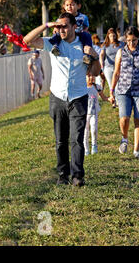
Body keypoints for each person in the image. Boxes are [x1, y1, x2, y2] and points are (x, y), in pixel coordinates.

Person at [23, 12, 101, 187]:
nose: (61, 29)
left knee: (77, 139)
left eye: (65, 26)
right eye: (59, 26)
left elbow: (95, 72)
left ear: (74, 27)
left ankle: (77, 176)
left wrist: (94, 55)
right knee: (60, 140)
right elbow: (27, 41)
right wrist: (47, 26)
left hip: (78, 97)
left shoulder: (84, 45)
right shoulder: (53, 43)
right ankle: (63, 174)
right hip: (57, 97)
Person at [109, 26, 139, 159]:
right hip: (123, 90)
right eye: (128, 40)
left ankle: (136, 150)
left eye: (134, 40)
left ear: (138, 39)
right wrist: (112, 91)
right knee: (124, 118)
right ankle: (124, 138)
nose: (131, 43)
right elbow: (116, 73)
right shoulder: (120, 52)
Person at [48, 0, 94, 65]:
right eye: (67, 5)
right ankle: (55, 47)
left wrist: (84, 30)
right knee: (56, 34)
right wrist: (55, 28)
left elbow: (86, 25)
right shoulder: (62, 18)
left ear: (78, 6)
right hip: (66, 34)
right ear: (64, 6)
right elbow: (57, 24)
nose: (69, 7)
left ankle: (86, 55)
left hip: (78, 33)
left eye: (72, 5)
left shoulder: (83, 17)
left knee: (87, 35)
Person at [84, 73, 109, 156]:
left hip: (94, 113)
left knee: (94, 129)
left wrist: (110, 99)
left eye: (93, 76)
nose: (91, 78)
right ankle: (86, 148)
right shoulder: (82, 88)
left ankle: (94, 146)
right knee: (85, 131)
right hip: (85, 114)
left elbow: (103, 97)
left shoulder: (96, 87)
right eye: (89, 76)